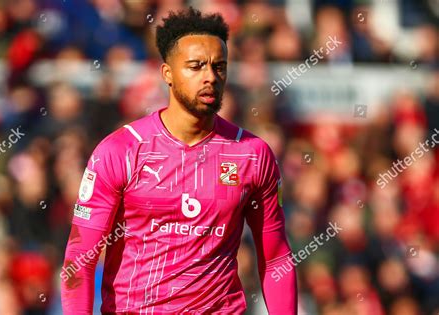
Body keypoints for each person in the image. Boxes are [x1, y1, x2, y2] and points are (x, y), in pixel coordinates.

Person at [61, 7, 297, 314]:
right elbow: (79, 259)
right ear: (167, 74)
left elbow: (276, 256)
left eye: (219, 66)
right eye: (196, 66)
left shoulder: (252, 153)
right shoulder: (120, 151)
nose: (210, 77)